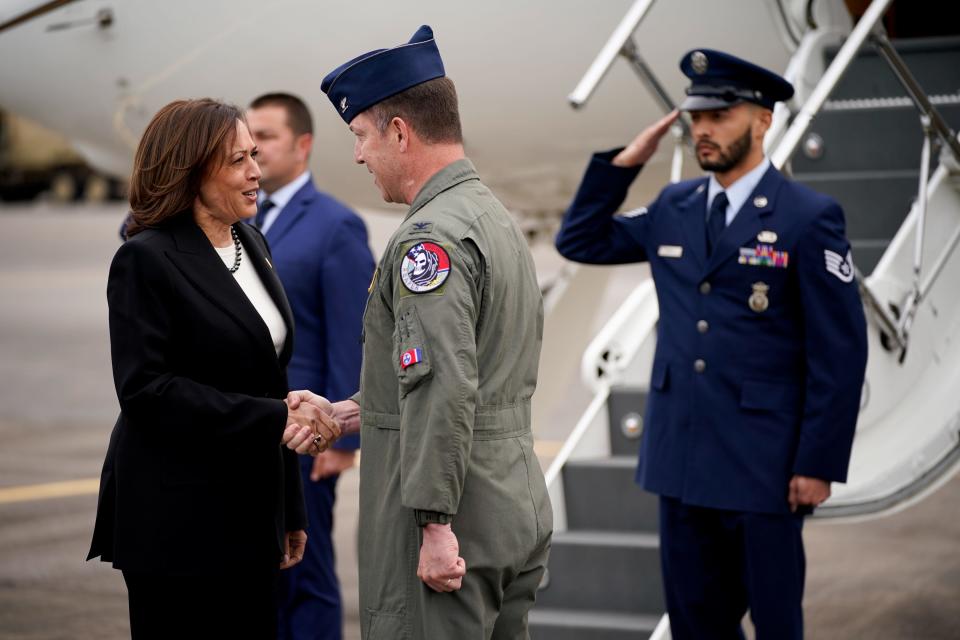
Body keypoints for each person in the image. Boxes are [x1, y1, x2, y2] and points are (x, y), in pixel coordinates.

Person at [555, 49, 868, 639]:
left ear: (763, 120)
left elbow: (840, 352)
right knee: (698, 627)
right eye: (696, 116)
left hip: (765, 469)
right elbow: (581, 240)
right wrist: (624, 164)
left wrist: (818, 462)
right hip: (682, 464)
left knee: (776, 625)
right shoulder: (675, 206)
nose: (703, 129)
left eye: (720, 115)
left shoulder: (808, 217)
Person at [288, 25, 553, 639]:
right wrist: (351, 412)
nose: (357, 155)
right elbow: (457, 370)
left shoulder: (427, 241)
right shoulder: (490, 216)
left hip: (453, 517)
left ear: (400, 132)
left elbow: (443, 386)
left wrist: (434, 523)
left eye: (360, 135)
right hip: (510, 497)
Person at [87, 98, 340, 640]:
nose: (256, 170)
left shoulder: (251, 241)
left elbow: (273, 381)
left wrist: (289, 509)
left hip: (249, 512)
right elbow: (147, 393)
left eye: (255, 154)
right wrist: (275, 416)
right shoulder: (145, 259)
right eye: (237, 160)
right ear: (192, 170)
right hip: (177, 516)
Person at [246, 92, 375, 640]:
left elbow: (355, 334)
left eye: (267, 136)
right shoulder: (239, 218)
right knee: (262, 581)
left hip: (307, 435)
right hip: (252, 428)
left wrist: (343, 442)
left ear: (303, 145)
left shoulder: (334, 225)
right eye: (248, 138)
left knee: (308, 576)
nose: (254, 148)